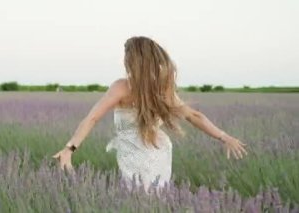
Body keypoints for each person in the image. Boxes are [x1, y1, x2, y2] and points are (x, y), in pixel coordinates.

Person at [52, 36, 247, 194]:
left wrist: (70, 148)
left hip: (139, 154)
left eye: (126, 56)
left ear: (132, 60)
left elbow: (92, 118)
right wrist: (223, 136)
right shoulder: (161, 89)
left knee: (138, 199)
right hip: (156, 152)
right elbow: (193, 116)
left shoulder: (122, 87)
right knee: (153, 199)